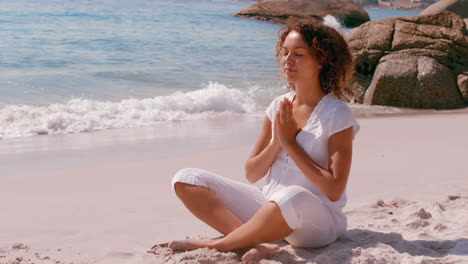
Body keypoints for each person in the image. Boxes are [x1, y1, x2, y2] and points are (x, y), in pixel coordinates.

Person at [168, 17, 360, 263]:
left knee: (292, 195)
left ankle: (221, 244)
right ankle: (259, 243)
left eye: (298, 54)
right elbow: (252, 173)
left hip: (316, 221)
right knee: (186, 178)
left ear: (321, 60)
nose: (288, 60)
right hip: (269, 207)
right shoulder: (278, 106)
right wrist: (277, 143)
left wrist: (291, 144)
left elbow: (333, 190)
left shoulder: (337, 114)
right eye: (285, 52)